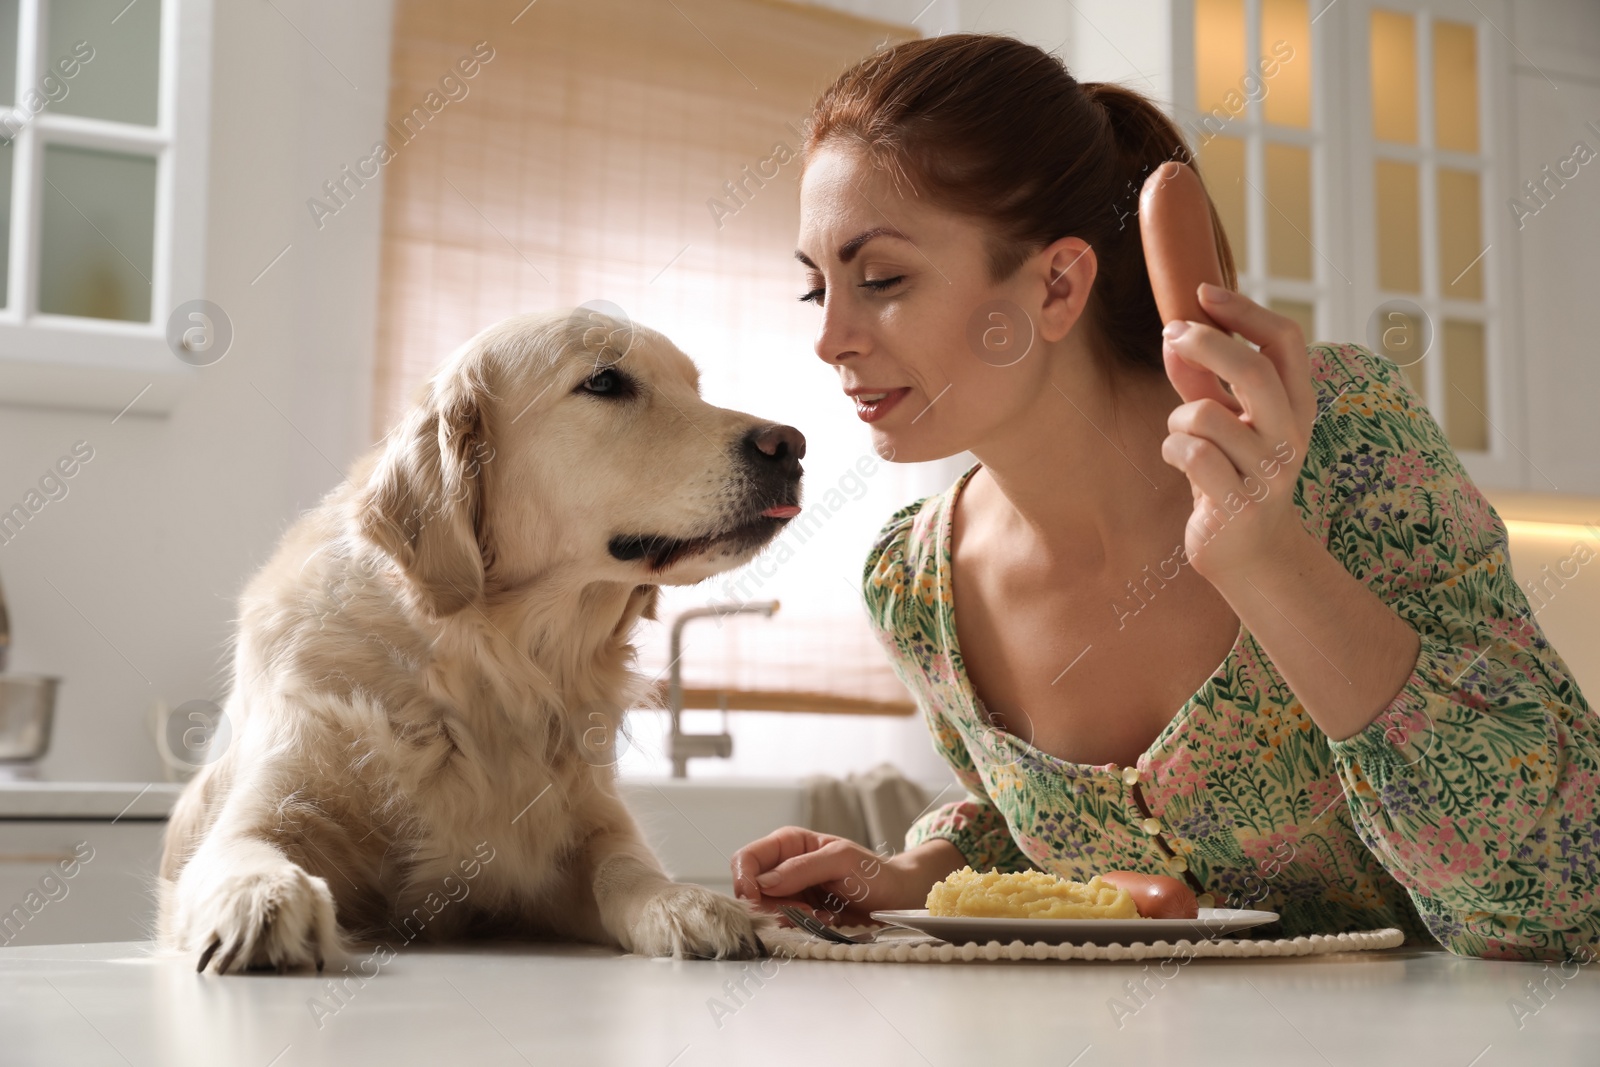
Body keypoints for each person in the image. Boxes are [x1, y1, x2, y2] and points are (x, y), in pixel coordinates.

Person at [728, 32, 1600, 962]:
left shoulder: (1335, 436)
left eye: (882, 279)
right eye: (816, 288)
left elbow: (1559, 895)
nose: (831, 338)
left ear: (1057, 284)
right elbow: (1038, 831)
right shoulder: (913, 586)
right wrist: (916, 875)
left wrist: (1267, 559)